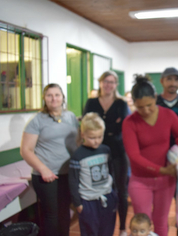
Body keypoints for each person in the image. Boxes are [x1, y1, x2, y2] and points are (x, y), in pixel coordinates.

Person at [122, 75, 178, 236]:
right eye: (140, 107)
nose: (145, 111)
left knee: (160, 222)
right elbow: (134, 156)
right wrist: (162, 170)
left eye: (149, 105)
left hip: (166, 181)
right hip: (140, 181)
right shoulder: (129, 122)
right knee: (141, 225)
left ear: (155, 98)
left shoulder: (168, 115)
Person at [20, 83, 78, 236]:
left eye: (57, 95)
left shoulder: (70, 117)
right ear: (44, 99)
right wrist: (43, 169)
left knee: (65, 213)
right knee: (52, 216)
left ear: (62, 97)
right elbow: (26, 150)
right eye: (49, 95)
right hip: (47, 176)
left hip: (68, 174)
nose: (54, 99)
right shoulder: (37, 120)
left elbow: (77, 143)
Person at [83, 71, 129, 236]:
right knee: (100, 190)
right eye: (105, 81)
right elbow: (87, 125)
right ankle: (103, 227)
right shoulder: (91, 102)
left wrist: (102, 127)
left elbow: (124, 127)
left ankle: (123, 228)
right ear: (100, 82)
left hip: (118, 153)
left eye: (112, 82)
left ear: (116, 85)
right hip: (95, 152)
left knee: (120, 190)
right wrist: (112, 126)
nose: (108, 85)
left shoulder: (121, 104)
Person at [68, 112, 117, 236]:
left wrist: (114, 193)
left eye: (100, 137)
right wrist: (78, 203)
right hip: (88, 201)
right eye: (92, 138)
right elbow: (73, 180)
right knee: (90, 231)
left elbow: (111, 171)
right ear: (83, 134)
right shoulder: (78, 155)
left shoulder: (106, 150)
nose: (96, 141)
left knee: (107, 230)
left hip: (106, 197)